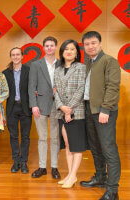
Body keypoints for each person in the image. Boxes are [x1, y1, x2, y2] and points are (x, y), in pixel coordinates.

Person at [80, 31, 121, 200]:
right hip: (89, 109)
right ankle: (100, 177)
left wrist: (105, 109)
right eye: (87, 44)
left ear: (100, 43)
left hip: (104, 111)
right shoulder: (88, 62)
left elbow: (113, 87)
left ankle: (112, 189)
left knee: (108, 149)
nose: (90, 46)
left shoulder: (109, 61)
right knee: (95, 146)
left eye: (93, 43)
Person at [53, 40, 88, 188]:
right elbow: (55, 91)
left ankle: (73, 175)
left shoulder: (81, 67)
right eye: (66, 49)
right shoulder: (58, 69)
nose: (69, 51)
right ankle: (69, 174)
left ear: (76, 53)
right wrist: (61, 107)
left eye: (72, 49)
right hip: (62, 113)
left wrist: (69, 108)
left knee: (76, 146)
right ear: (61, 52)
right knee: (67, 145)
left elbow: (81, 89)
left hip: (76, 112)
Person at [28, 36, 61, 179]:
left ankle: (54, 167)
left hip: (57, 105)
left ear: (55, 47)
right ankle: (42, 167)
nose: (49, 48)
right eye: (46, 45)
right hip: (40, 105)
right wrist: (33, 105)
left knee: (55, 138)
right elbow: (31, 87)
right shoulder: (36, 65)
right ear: (43, 48)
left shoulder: (61, 64)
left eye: (52, 45)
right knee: (42, 138)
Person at [2, 47, 32, 174]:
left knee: (25, 137)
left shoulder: (29, 70)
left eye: (18, 54)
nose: (15, 57)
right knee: (13, 136)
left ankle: (24, 162)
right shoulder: (5, 73)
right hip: (11, 107)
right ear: (11, 57)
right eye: (13, 55)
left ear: (22, 56)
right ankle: (16, 161)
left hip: (26, 107)